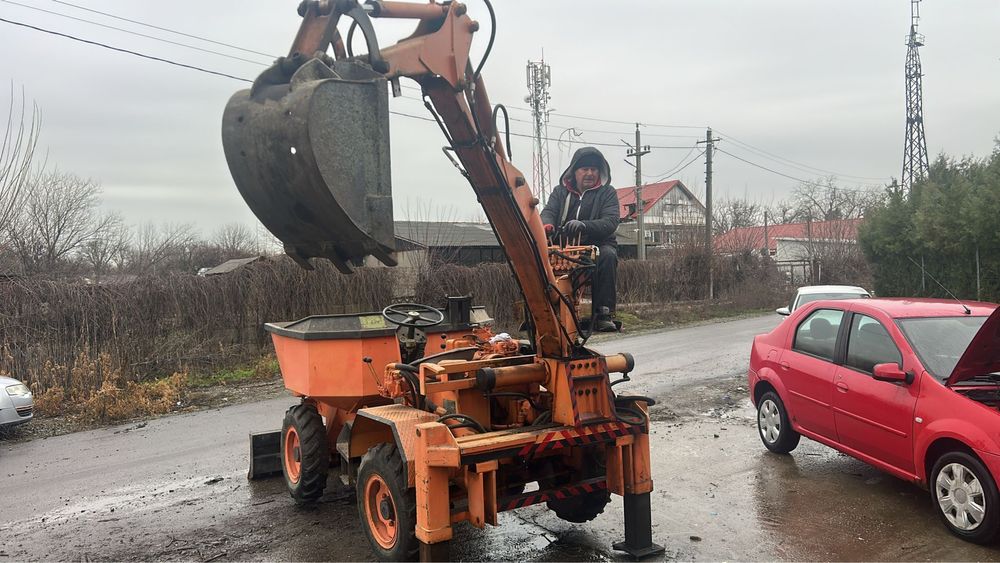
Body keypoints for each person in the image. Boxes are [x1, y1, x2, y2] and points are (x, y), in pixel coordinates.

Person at [540, 146, 620, 332]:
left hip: (597, 246)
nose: (590, 173)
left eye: (594, 169)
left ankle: (603, 314)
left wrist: (584, 225)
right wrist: (546, 225)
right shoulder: (560, 192)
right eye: (585, 169)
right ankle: (542, 313)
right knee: (537, 259)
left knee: (608, 256)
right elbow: (549, 212)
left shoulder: (607, 193)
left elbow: (610, 221)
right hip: (564, 247)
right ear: (574, 172)